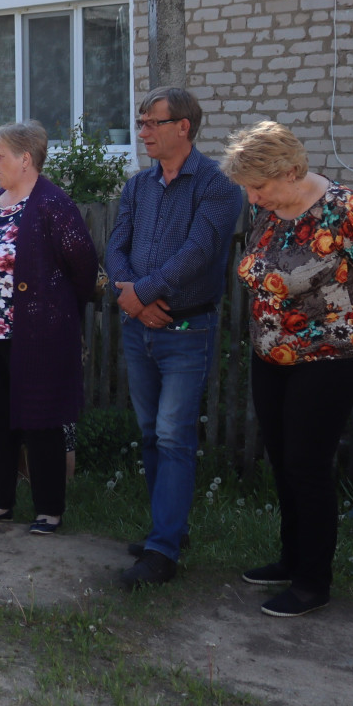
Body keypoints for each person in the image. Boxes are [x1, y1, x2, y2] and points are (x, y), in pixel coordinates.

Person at [226, 120, 353, 618]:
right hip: (271, 354)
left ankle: (312, 581)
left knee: (308, 463)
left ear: (289, 170)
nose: (253, 198)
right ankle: (290, 558)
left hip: (330, 357)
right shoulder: (269, 210)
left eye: (258, 187)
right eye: (248, 189)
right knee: (283, 459)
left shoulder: (346, 211)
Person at [105, 87, 244, 587]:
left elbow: (198, 254)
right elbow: (115, 246)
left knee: (173, 435)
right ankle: (169, 530)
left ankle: (163, 551)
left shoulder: (217, 185)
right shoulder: (139, 186)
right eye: (140, 123)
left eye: (150, 123)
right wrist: (134, 300)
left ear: (182, 126)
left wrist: (138, 294)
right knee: (149, 434)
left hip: (188, 328)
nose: (142, 132)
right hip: (139, 326)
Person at [0, 122, 97, 532]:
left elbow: (83, 267)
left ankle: (49, 509)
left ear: (25, 159)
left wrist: (54, 313)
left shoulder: (53, 205)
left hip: (34, 337)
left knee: (40, 421)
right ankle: (1, 502)